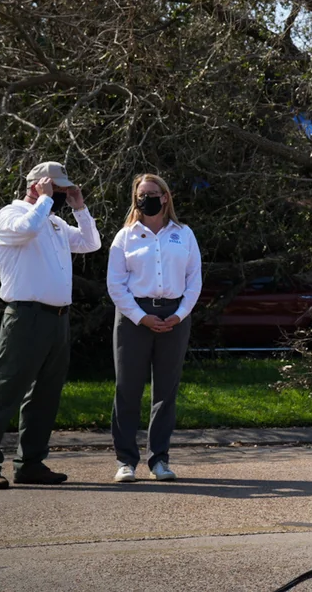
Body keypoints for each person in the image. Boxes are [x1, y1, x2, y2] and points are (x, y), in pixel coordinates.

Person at [0, 161, 101, 489]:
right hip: (25, 316)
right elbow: (26, 229)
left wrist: (80, 208)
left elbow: (91, 243)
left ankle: (30, 463)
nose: (59, 196)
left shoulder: (53, 222)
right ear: (36, 186)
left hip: (57, 319)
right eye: (56, 189)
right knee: (4, 390)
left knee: (45, 394)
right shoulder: (10, 216)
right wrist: (43, 200)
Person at [106, 174, 202, 482]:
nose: (145, 198)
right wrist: (140, 316)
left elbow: (194, 279)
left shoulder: (184, 234)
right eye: (140, 194)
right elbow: (116, 285)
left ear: (165, 197)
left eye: (151, 193)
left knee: (166, 390)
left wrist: (181, 314)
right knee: (128, 388)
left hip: (174, 315)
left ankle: (159, 459)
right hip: (134, 316)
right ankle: (126, 461)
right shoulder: (125, 237)